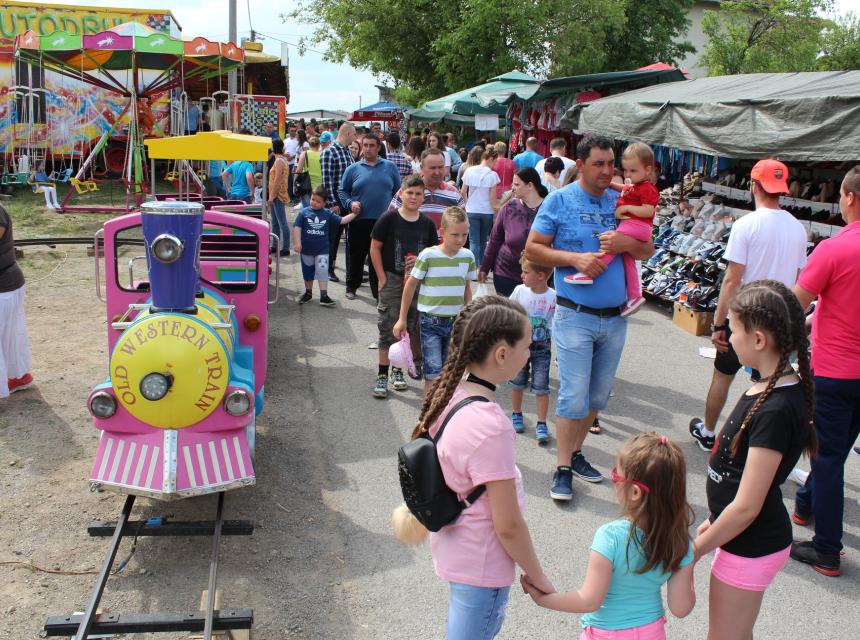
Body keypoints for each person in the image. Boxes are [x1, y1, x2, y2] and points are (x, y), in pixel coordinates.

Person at [392, 295, 555, 640]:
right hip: (482, 564)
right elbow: (508, 525)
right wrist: (538, 575)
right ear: (501, 354)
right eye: (527, 346)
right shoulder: (491, 426)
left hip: (457, 550)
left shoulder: (452, 392)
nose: (530, 354)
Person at [525, 135, 655, 501]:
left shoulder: (622, 198)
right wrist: (575, 259)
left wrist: (625, 244)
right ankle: (563, 468)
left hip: (616, 318)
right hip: (575, 315)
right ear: (580, 165)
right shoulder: (560, 200)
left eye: (611, 163)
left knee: (597, 396)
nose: (607, 170)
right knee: (573, 396)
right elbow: (533, 248)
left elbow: (647, 247)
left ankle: (576, 451)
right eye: (599, 163)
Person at [694, 280, 816, 640]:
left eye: (734, 330)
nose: (729, 339)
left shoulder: (776, 409)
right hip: (740, 535)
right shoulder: (768, 385)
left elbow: (747, 505)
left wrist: (694, 551)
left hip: (751, 543)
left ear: (759, 339)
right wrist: (715, 520)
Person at [523, 433, 696, 639]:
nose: (613, 481)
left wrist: (543, 600)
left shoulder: (610, 537)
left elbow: (589, 601)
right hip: (652, 632)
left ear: (635, 492)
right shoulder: (680, 541)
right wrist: (690, 562)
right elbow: (681, 608)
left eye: (616, 476)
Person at [689, 159, 808, 452]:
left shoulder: (746, 225)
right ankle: (756, 441)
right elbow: (798, 280)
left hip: (744, 314)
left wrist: (718, 323)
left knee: (723, 374)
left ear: (754, 186)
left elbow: (732, 280)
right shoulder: (798, 229)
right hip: (777, 317)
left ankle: (708, 432)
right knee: (769, 384)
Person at [791, 166, 860, 577]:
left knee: (828, 456)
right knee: (837, 446)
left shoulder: (835, 248)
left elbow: (795, 303)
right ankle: (806, 502)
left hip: (835, 371)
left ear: (849, 197)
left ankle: (827, 549)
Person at [567, 143, 660, 317]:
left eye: (633, 171)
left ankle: (589, 273)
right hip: (636, 226)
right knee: (628, 259)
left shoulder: (648, 188)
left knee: (611, 245)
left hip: (636, 225)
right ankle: (634, 295)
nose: (628, 175)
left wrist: (626, 208)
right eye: (626, 170)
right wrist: (611, 185)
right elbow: (625, 189)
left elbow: (649, 210)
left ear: (648, 170)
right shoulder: (637, 186)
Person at [394, 207, 476, 397]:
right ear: (442, 232)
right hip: (430, 321)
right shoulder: (428, 255)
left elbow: (466, 287)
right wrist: (402, 318)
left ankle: (444, 410)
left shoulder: (468, 256)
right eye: (455, 234)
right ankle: (427, 413)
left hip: (456, 322)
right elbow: (411, 285)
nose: (460, 239)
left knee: (450, 373)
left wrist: (470, 313)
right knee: (432, 374)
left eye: (464, 235)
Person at [370, 175, 439, 397]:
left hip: (416, 283)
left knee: (408, 327)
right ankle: (382, 374)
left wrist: (420, 260)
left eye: (418, 194)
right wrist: (381, 277)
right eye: (410, 192)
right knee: (387, 326)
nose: (413, 197)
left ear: (423, 197)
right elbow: (374, 248)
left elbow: (433, 254)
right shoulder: (388, 219)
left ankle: (397, 370)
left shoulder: (427, 224)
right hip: (392, 279)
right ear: (401, 193)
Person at [339, 134, 402, 300]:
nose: (368, 149)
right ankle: (352, 285)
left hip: (384, 222)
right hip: (359, 220)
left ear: (378, 147)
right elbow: (342, 191)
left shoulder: (390, 167)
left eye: (371, 145)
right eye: (365, 145)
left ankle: (377, 291)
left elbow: (398, 192)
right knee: (356, 255)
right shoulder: (353, 169)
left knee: (379, 258)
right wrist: (350, 203)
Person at [509, 256, 556, 444]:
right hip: (520, 345)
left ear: (541, 276)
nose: (522, 275)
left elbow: (557, 322)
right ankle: (516, 413)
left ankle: (541, 423)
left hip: (543, 347)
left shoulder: (553, 296)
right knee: (517, 382)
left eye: (526, 272)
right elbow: (509, 312)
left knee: (542, 386)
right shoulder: (519, 291)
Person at [479, 168, 547, 296]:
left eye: (516, 184)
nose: (512, 188)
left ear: (530, 185)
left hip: (537, 276)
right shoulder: (508, 208)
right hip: (505, 274)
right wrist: (484, 268)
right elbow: (494, 241)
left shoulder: (549, 209)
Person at [293, 186, 359, 307]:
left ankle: (324, 296)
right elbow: (297, 227)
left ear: (324, 203)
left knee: (322, 272)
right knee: (307, 273)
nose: (314, 202)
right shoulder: (303, 212)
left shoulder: (327, 213)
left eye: (318, 201)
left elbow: (342, 220)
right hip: (306, 250)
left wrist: (354, 214)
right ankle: (308, 293)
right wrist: (297, 243)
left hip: (322, 251)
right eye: (313, 199)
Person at [0, 205, 33, 398]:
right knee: (10, 335)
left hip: (5, 285)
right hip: (7, 285)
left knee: (10, 334)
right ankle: (19, 376)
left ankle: (17, 377)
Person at [388, 148, 466, 230]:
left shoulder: (454, 194)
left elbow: (463, 225)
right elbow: (391, 220)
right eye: (433, 168)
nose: (437, 172)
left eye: (440, 167)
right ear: (421, 168)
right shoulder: (408, 192)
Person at [321, 123, 357, 282]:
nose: (355, 138)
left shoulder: (347, 151)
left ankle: (351, 271)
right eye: (354, 134)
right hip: (336, 201)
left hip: (348, 201)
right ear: (347, 133)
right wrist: (332, 203)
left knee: (349, 238)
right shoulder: (329, 152)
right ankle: (329, 269)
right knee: (333, 238)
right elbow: (327, 180)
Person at [460, 146, 500, 267]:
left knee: (473, 240)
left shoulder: (469, 171)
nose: (495, 164)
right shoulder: (493, 175)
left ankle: (473, 267)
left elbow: (463, 191)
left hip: (471, 210)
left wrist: (467, 204)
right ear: (491, 159)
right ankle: (482, 268)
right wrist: (496, 210)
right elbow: (492, 197)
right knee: (483, 241)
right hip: (487, 211)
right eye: (495, 161)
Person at [268, 139, 291, 256]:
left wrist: (271, 196)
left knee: (282, 223)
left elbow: (277, 180)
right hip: (277, 194)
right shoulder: (280, 160)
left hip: (278, 195)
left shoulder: (279, 161)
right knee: (275, 222)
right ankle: (274, 246)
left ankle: (286, 248)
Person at [295, 136, 323, 207]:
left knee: (307, 208)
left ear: (309, 145)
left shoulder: (305, 154)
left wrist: (294, 183)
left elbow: (298, 170)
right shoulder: (322, 154)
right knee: (318, 208)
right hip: (320, 185)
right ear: (319, 145)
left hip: (306, 184)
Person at [284, 123, 301, 202]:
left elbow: (299, 152)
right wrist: (285, 155)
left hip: (294, 164)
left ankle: (295, 197)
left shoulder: (298, 141)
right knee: (288, 181)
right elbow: (282, 151)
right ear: (288, 131)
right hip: (286, 163)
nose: (293, 132)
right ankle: (289, 197)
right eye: (291, 130)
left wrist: (292, 157)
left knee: (294, 181)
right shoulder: (285, 141)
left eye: (294, 131)